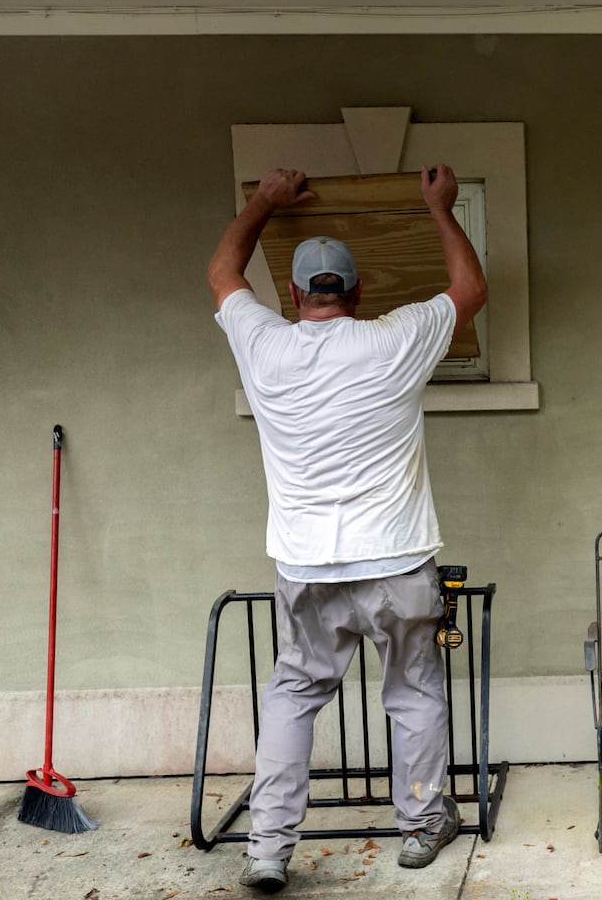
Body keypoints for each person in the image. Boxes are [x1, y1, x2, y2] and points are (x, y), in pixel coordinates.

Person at [208, 165, 488, 893]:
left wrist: (265, 203)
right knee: (415, 690)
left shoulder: (264, 345)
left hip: (305, 563)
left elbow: (221, 270)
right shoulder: (395, 338)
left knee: (295, 693)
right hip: (396, 557)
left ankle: (269, 848)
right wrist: (439, 207)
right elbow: (471, 291)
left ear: (296, 295)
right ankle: (424, 825)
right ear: (358, 292)